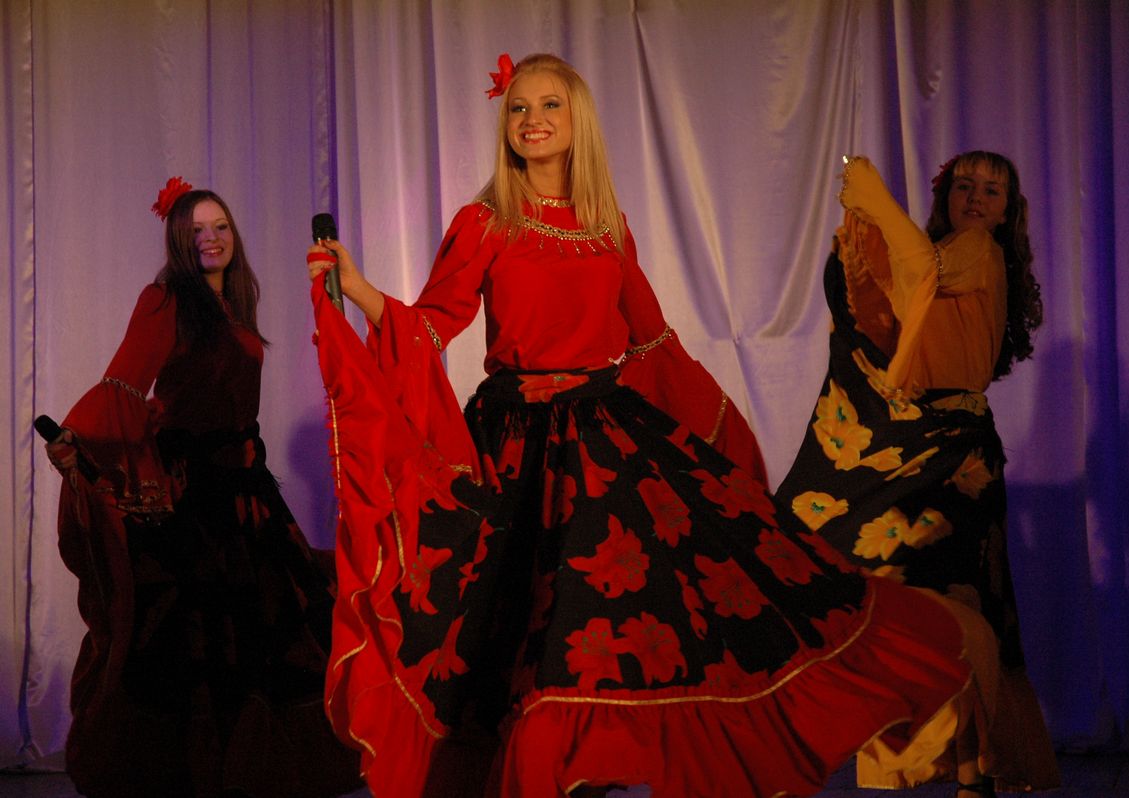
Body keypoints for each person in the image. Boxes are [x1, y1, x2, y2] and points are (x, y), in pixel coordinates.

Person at [306, 53, 975, 798]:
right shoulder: (485, 221)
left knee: (607, 627)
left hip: (602, 441)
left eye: (549, 105)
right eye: (519, 108)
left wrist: (717, 436)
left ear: (577, 120)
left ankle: (587, 770)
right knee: (519, 635)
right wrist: (358, 289)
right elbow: (432, 326)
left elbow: (652, 342)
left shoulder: (606, 224)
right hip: (517, 447)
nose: (532, 120)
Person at [43, 179, 361, 798]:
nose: (210, 239)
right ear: (178, 241)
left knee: (269, 633)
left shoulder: (234, 305)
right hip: (197, 500)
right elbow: (124, 382)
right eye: (196, 231)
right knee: (202, 638)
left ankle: (256, 770)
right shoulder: (166, 299)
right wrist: (82, 440)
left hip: (248, 493)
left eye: (219, 227)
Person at [775, 152, 1060, 797]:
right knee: (930, 600)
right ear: (946, 196)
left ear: (1007, 211)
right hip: (921, 443)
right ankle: (963, 772)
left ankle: (972, 772)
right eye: (965, 186)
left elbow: (921, 270)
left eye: (992, 190)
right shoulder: (942, 255)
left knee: (949, 601)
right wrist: (863, 237)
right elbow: (892, 301)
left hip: (954, 457)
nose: (976, 198)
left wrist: (875, 200)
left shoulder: (977, 250)